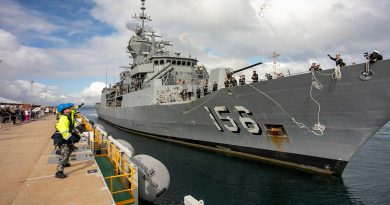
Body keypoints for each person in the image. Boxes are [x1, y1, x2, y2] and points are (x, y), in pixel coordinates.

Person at [52, 103, 81, 178]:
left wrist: (79, 128)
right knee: (65, 152)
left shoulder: (68, 117)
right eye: (69, 108)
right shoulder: (63, 119)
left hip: (66, 137)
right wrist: (71, 138)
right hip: (61, 138)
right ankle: (59, 171)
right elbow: (64, 132)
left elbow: (73, 124)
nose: (70, 109)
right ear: (64, 110)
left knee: (71, 148)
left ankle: (65, 162)